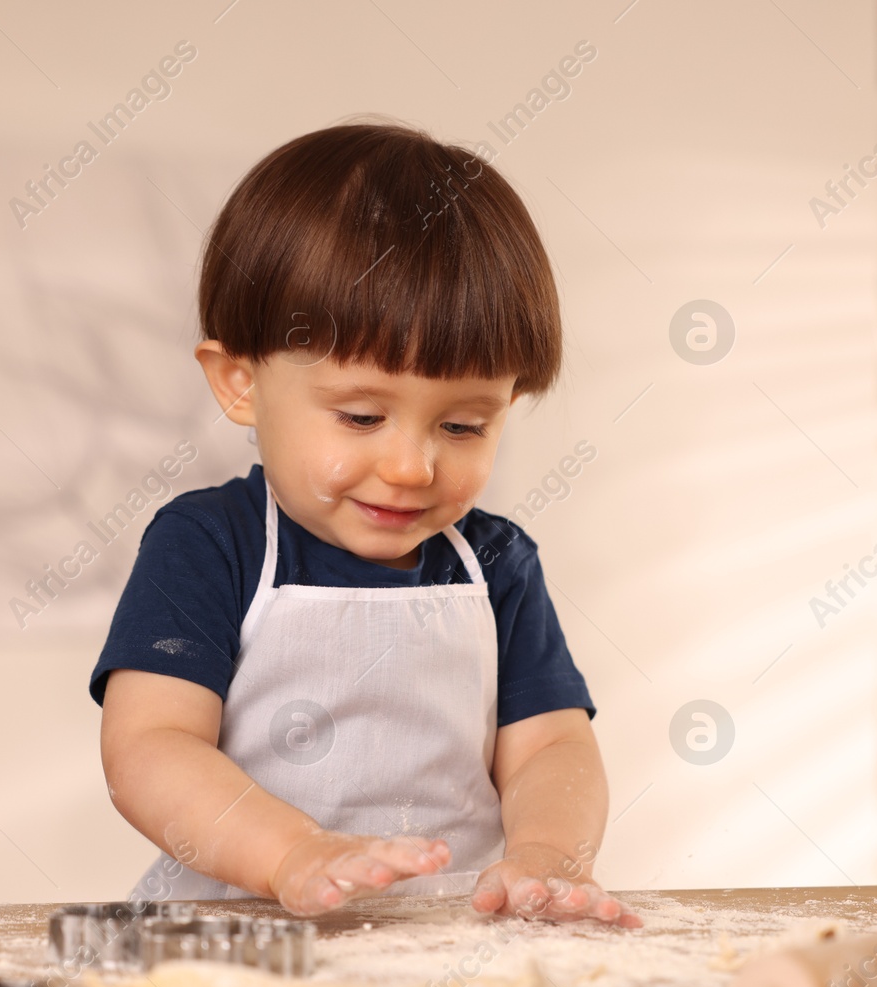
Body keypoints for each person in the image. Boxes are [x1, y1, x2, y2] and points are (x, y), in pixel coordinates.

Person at [89, 121, 640, 928]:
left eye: (462, 426)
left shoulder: (495, 564)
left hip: (443, 945)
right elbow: (148, 750)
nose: (413, 467)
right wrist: (290, 853)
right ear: (239, 382)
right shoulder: (210, 545)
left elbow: (553, 746)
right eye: (360, 415)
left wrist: (548, 857)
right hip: (238, 946)